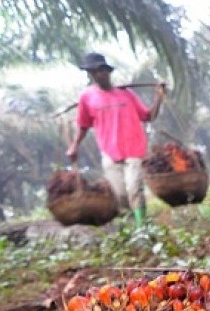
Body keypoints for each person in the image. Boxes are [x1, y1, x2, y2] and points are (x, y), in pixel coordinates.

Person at [66, 52, 166, 228]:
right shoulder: (87, 97)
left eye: (102, 70)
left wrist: (159, 97)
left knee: (135, 188)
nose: (99, 74)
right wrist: (74, 146)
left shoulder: (126, 94)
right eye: (95, 72)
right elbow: (83, 125)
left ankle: (143, 228)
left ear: (108, 71)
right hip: (109, 152)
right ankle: (131, 228)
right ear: (90, 75)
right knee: (119, 195)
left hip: (134, 149)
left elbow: (149, 116)